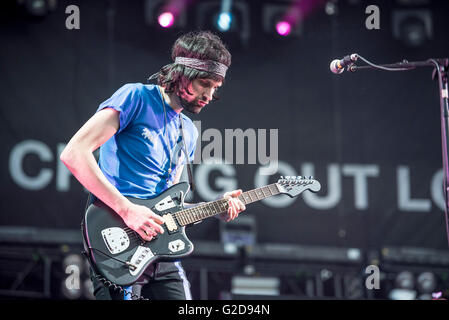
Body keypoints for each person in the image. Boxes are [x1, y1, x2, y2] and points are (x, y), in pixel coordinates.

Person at [60, 30, 246, 300]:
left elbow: (168, 206)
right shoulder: (135, 97)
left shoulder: (188, 132)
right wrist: (128, 211)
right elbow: (74, 153)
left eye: (215, 87)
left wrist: (215, 207)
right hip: (118, 243)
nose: (209, 94)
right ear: (180, 73)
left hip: (161, 249)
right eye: (204, 82)